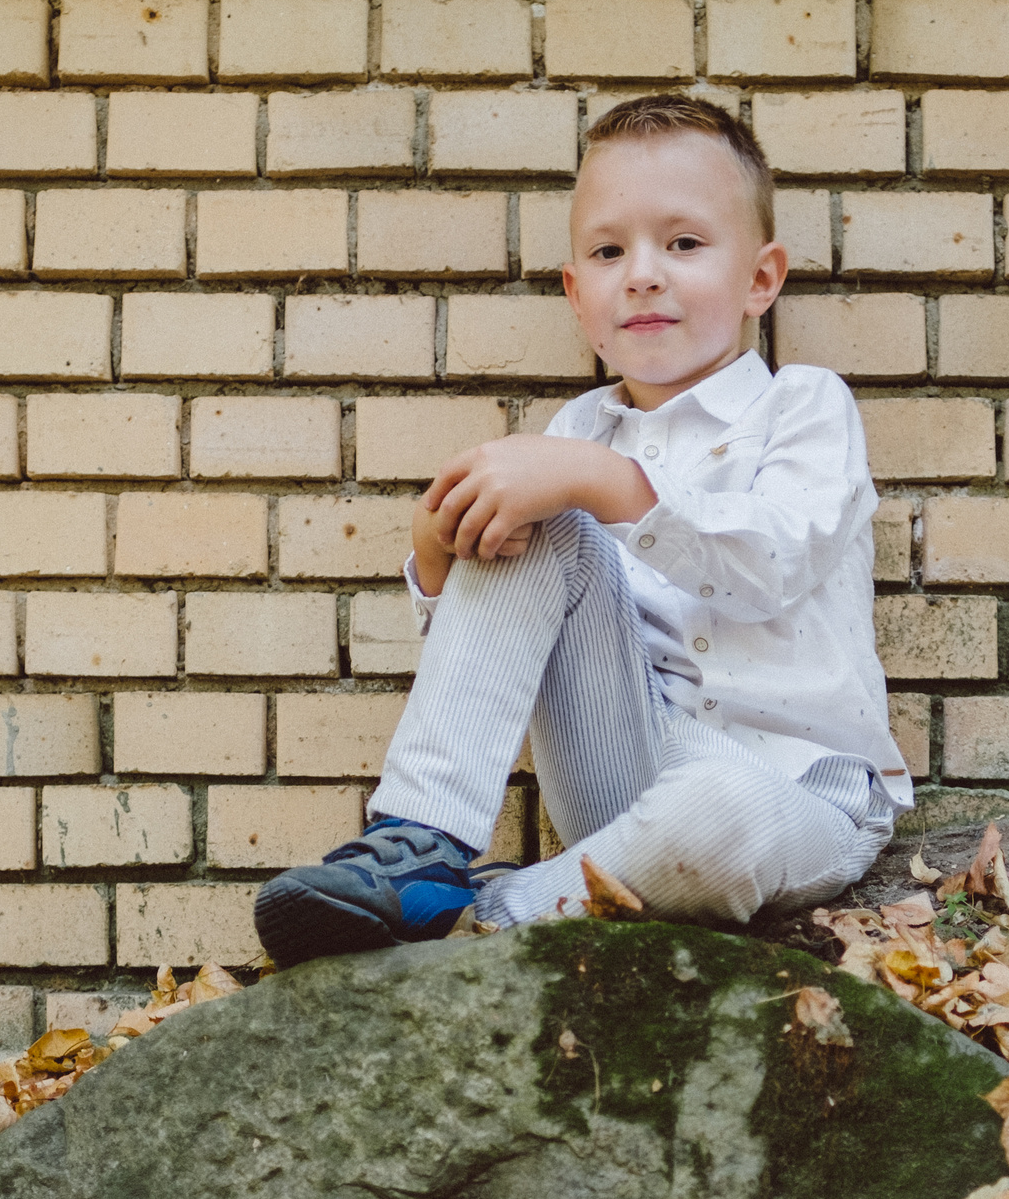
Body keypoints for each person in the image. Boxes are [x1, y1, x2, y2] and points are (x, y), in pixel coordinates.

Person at [253, 93, 912, 966]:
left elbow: (774, 560)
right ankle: (419, 840)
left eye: (682, 243)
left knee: (712, 811)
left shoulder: (805, 406)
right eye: (609, 251)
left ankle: (505, 911)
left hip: (795, 794)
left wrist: (606, 485)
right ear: (576, 294)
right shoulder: (573, 437)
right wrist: (437, 553)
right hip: (625, 768)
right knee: (537, 516)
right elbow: (498, 656)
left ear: (761, 278)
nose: (641, 273)